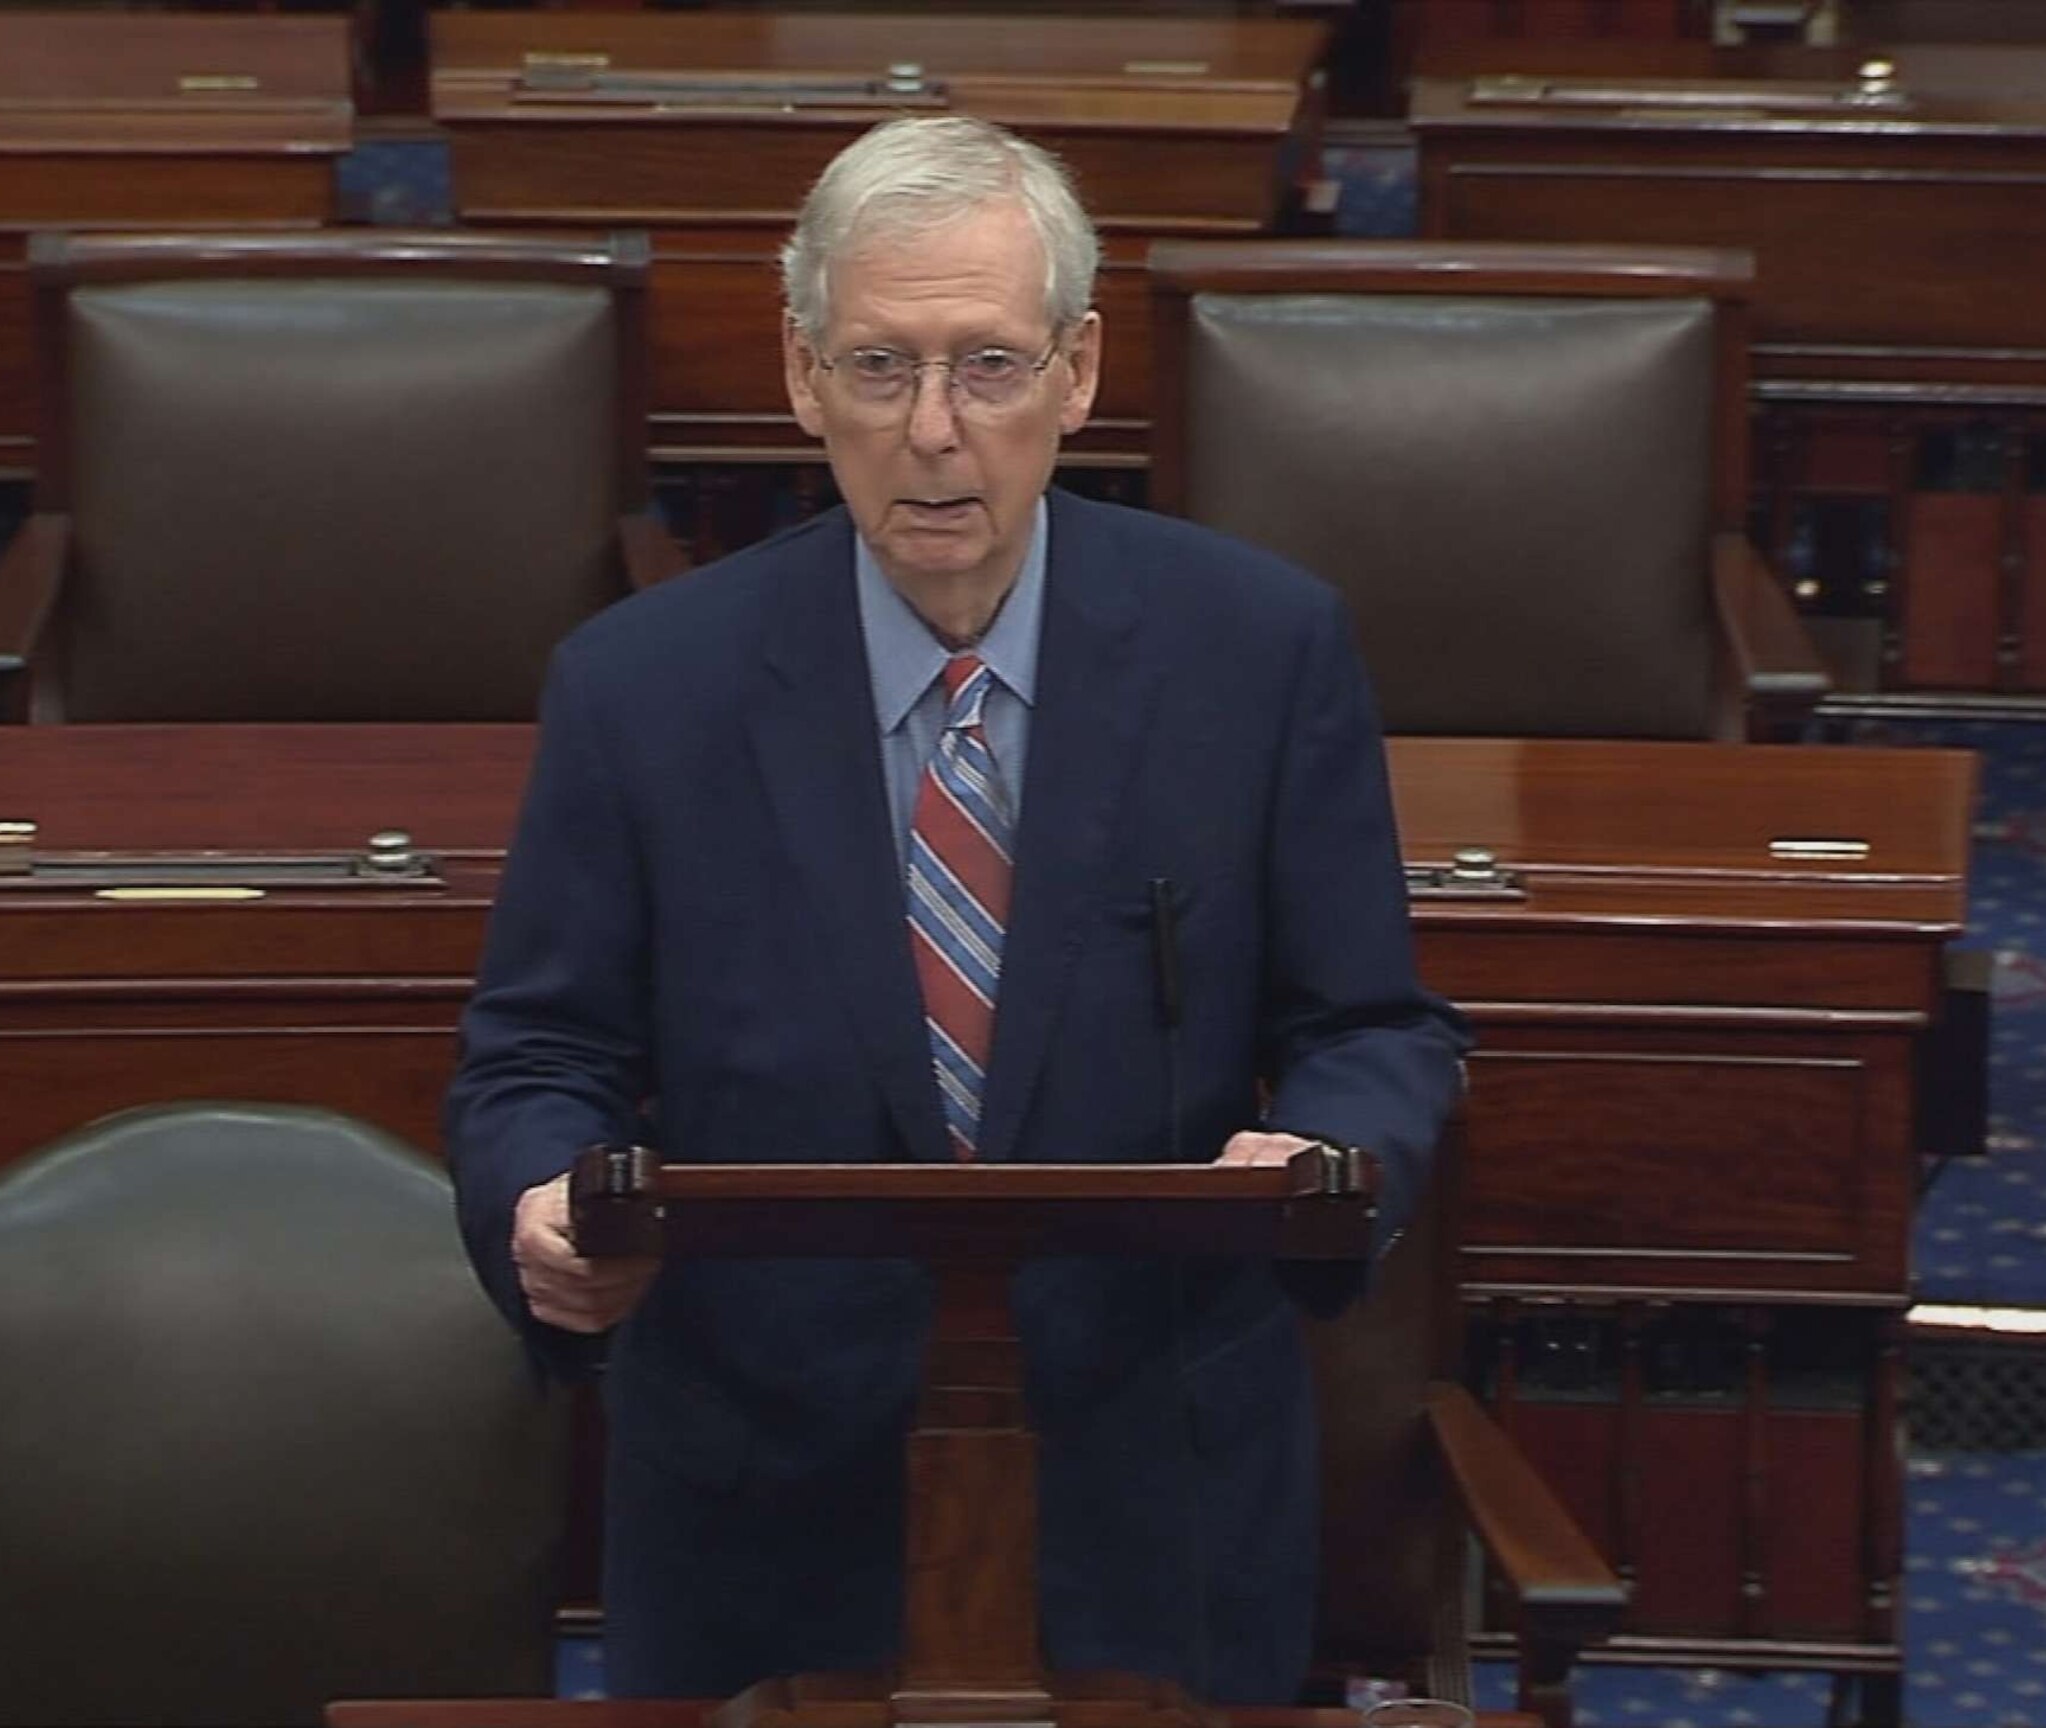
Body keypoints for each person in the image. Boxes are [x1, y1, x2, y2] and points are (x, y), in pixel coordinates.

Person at [445, 114, 1467, 1707]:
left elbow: (1372, 1029)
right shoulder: (643, 690)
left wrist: (1327, 1159)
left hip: (1151, 1488)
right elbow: (535, 1059)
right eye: (878, 367)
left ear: (1077, 373)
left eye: (988, 367)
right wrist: (540, 1208)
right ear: (800, 377)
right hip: (768, 1496)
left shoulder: (1256, 655)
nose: (933, 432)